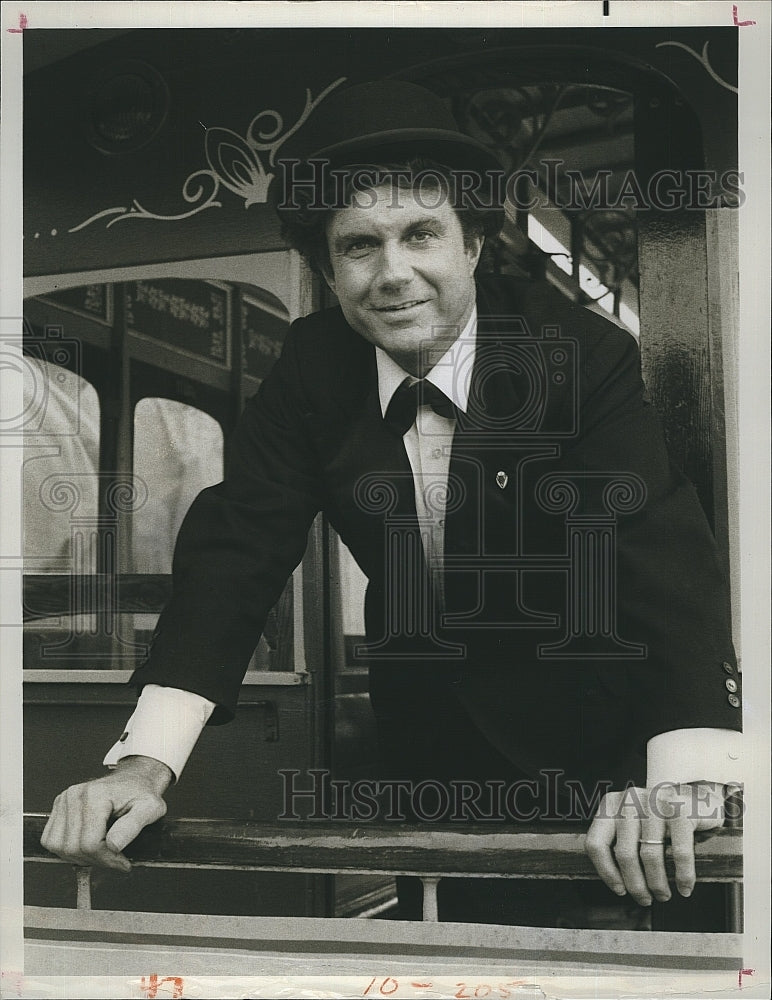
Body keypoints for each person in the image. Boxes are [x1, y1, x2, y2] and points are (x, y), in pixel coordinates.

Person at [41, 80, 741, 926]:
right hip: (428, 742)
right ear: (329, 269)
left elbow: (654, 550)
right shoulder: (312, 368)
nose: (393, 272)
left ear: (473, 246)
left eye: (421, 234)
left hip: (598, 730)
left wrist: (676, 777)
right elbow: (238, 549)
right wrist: (142, 765)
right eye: (359, 245)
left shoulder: (578, 354)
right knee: (447, 938)